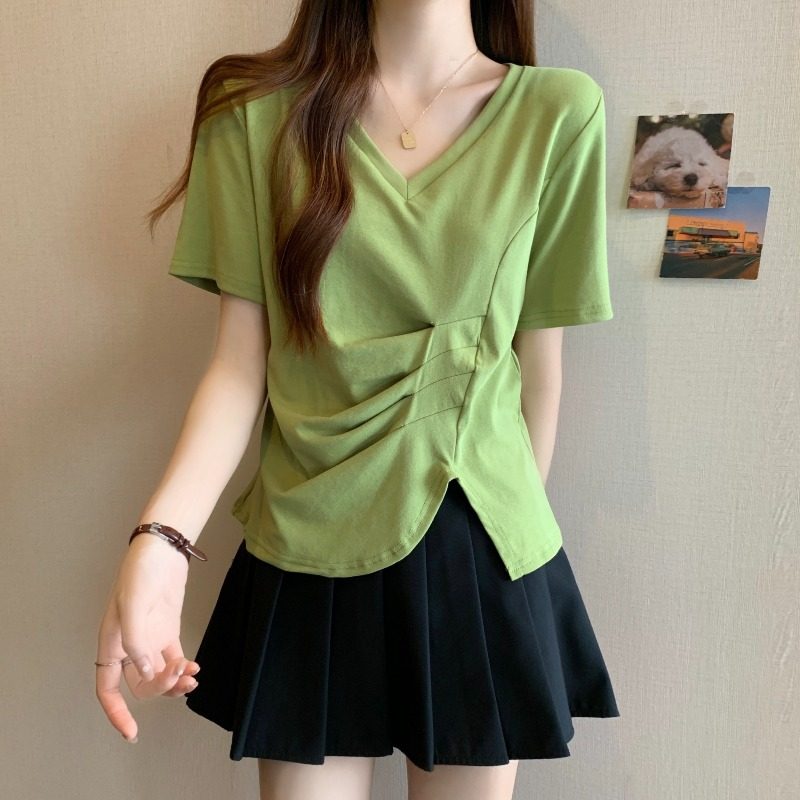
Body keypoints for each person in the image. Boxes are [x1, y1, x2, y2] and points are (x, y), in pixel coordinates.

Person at [95, 1, 621, 798]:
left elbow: (540, 367)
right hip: (308, 538)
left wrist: (503, 557)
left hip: (479, 539)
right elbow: (240, 367)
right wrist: (160, 541)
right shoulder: (253, 113)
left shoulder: (557, 112)